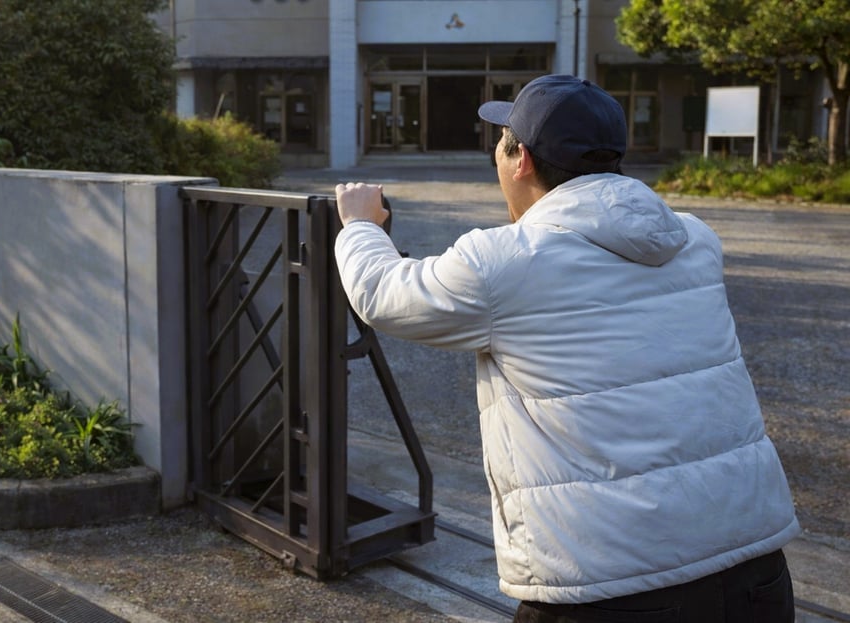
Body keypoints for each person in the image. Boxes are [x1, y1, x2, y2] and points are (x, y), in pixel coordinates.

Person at [333, 74, 800, 622]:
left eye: (501, 143)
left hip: (610, 588)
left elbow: (384, 293)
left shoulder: (503, 261)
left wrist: (360, 225)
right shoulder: (694, 239)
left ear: (522, 160)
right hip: (754, 573)